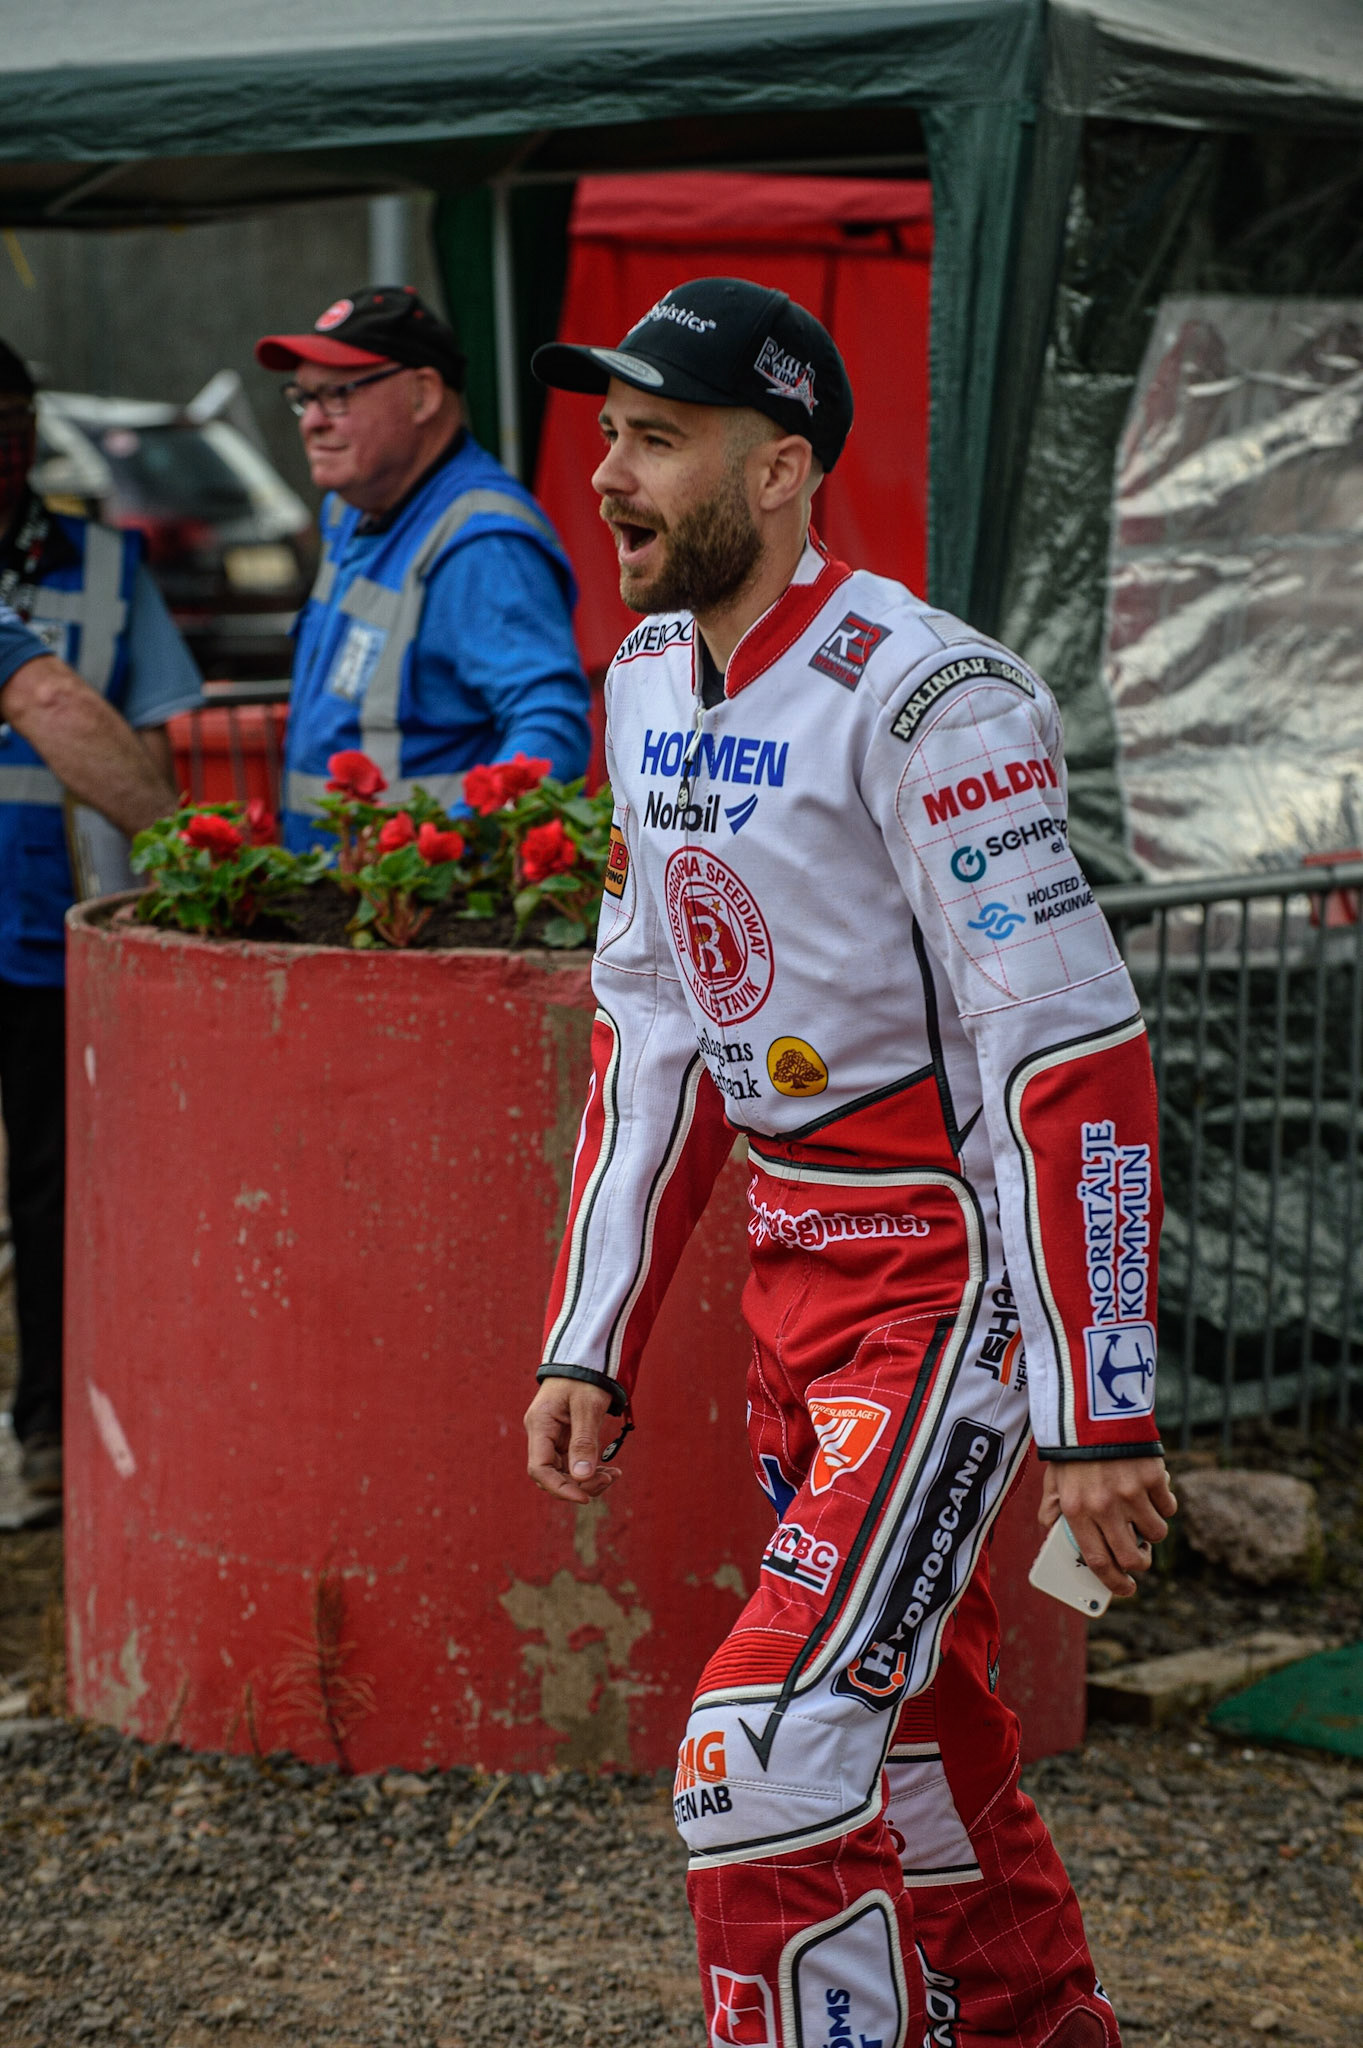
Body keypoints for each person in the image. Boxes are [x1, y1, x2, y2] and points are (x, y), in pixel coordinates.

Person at [524, 279, 1178, 2048]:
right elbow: (648, 1024)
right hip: (790, 1290)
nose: (608, 475)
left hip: (944, 1291)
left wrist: (1093, 1403)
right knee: (909, 1746)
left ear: (785, 465)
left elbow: (1072, 1051)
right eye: (607, 436)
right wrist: (590, 1331)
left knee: (759, 1755)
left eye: (657, 439)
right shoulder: (640, 677)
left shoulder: (929, 692)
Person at [0, 338, 193, 1496]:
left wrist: (166, 868)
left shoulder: (106, 566)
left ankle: (45, 1439)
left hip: (45, 925)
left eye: (17, 417)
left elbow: (146, 727)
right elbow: (51, 700)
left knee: (54, 1187)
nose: (6, 442)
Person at [255, 286, 590, 846]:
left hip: (416, 915)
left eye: (337, 395)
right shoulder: (351, 509)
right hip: (344, 906)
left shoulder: (482, 545)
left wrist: (447, 860)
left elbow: (550, 732)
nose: (311, 421)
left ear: (422, 395)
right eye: (304, 397)